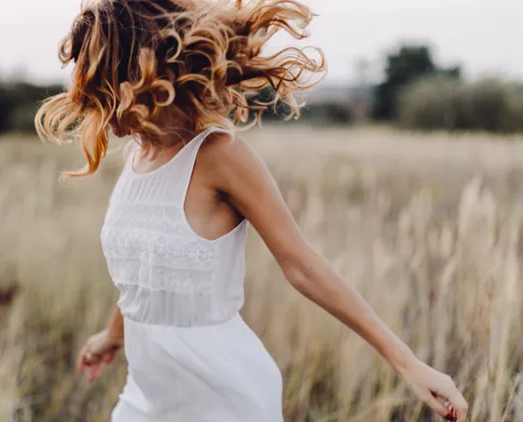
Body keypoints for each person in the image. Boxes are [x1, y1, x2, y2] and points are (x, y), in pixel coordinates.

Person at [35, 0, 469, 421]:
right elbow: (148, 273)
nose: (93, 104)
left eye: (101, 86)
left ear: (141, 74)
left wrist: (407, 362)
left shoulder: (221, 156)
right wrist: (114, 333)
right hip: (145, 398)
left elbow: (304, 267)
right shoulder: (137, 158)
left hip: (223, 396)